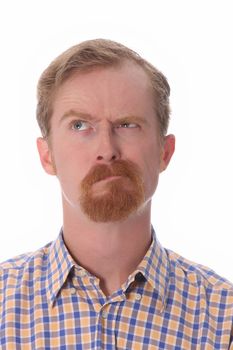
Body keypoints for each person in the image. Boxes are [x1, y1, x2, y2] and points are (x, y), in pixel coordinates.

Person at [0, 39, 232, 349]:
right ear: (47, 155)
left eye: (127, 124)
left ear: (165, 151)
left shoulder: (223, 318)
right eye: (80, 125)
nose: (107, 151)